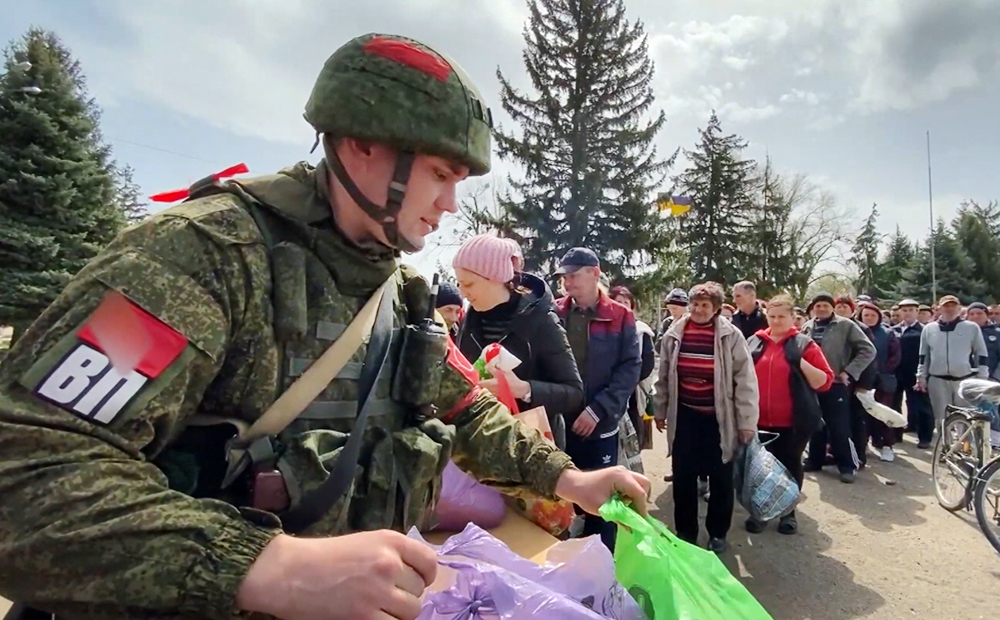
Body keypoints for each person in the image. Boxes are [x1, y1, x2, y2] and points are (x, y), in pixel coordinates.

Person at [0, 34, 651, 620]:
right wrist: (262, 565)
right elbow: (27, 471)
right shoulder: (200, 259)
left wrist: (569, 480)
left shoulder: (401, 295)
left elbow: (464, 409)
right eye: (441, 173)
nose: (452, 203)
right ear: (362, 145)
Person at [654, 282, 759, 553]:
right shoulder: (674, 333)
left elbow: (745, 381)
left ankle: (717, 533)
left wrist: (747, 422)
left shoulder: (730, 335)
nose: (699, 309)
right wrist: (661, 409)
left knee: (721, 477)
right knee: (683, 477)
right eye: (695, 304)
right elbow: (663, 376)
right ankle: (685, 532)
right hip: (686, 416)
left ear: (715, 309)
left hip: (719, 419)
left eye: (705, 305)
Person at [553, 248, 643, 551]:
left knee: (602, 505)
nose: (567, 282)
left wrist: (598, 410)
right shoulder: (553, 313)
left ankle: (603, 567)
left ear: (595, 273)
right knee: (560, 499)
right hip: (559, 424)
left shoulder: (621, 316)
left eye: (574, 275)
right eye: (564, 276)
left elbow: (631, 368)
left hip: (600, 426)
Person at [453, 234, 584, 438]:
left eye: (469, 284)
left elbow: (574, 393)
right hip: (481, 442)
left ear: (497, 278)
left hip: (533, 445)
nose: (462, 293)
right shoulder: (467, 322)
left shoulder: (541, 320)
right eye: (459, 284)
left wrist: (523, 389)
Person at [745, 294, 833, 535]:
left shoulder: (805, 344)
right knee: (760, 470)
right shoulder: (754, 342)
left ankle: (787, 513)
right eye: (772, 316)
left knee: (789, 465)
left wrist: (799, 362)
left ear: (793, 317)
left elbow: (824, 382)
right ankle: (761, 511)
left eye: (781, 316)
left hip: (793, 422)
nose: (776, 321)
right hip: (758, 421)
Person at [801, 293, 876, 483]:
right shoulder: (807, 326)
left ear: (832, 307)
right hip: (811, 384)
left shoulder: (845, 325)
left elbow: (868, 350)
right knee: (814, 425)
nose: (821, 308)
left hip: (835, 384)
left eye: (825, 305)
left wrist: (849, 371)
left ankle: (847, 466)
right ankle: (815, 460)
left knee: (839, 427)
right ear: (812, 308)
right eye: (817, 305)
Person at [917, 295, 989, 438]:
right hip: (938, 380)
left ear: (959, 308)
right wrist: (921, 376)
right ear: (939, 308)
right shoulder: (929, 329)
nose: (949, 309)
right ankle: (945, 448)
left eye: (952, 305)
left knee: (966, 416)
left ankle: (964, 447)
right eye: (946, 306)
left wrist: (982, 377)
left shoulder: (971, 328)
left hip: (964, 378)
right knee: (941, 417)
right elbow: (924, 355)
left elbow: (981, 353)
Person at [609, 285, 657, 452]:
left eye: (626, 302)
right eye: (618, 302)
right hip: (606, 390)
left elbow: (647, 364)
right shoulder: (604, 327)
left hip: (633, 394)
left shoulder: (641, 331)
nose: (622, 305)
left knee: (632, 440)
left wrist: (627, 380)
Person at [857, 301, 901, 462]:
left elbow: (895, 357)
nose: (869, 318)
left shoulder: (888, 333)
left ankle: (886, 446)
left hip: (883, 380)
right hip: (861, 380)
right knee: (862, 415)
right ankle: (865, 443)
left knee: (883, 414)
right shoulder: (856, 331)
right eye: (866, 315)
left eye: (872, 315)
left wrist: (881, 370)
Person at [892, 299, 935, 448]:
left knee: (921, 406)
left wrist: (925, 374)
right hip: (897, 373)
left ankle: (924, 437)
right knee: (895, 404)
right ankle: (896, 434)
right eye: (904, 310)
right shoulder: (894, 329)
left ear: (917, 312)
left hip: (916, 373)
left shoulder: (924, 330)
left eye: (911, 310)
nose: (907, 313)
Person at [967, 302, 1000, 381]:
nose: (975, 316)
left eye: (979, 313)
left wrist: (996, 377)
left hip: (991, 378)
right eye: (972, 314)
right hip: (966, 377)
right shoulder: (962, 332)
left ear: (987, 316)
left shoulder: (997, 333)